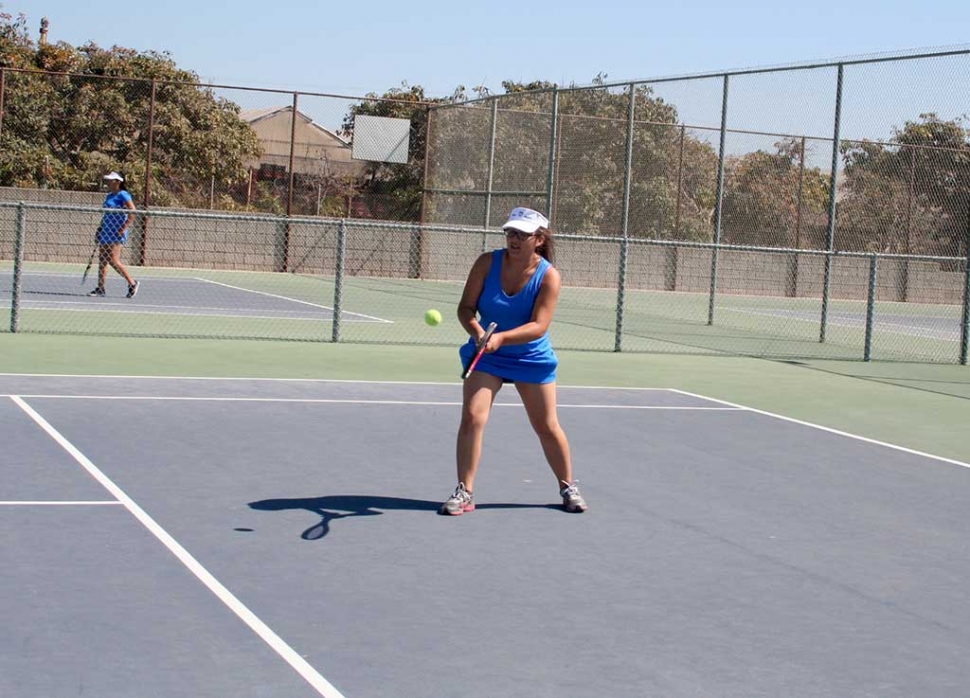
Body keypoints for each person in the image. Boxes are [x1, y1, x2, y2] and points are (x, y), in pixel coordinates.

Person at [440, 206, 588, 515]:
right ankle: (464, 491)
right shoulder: (486, 263)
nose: (514, 239)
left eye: (522, 234)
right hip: (487, 357)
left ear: (539, 239)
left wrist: (502, 338)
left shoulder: (549, 276)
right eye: (510, 233)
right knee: (472, 417)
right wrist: (479, 331)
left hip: (530, 357)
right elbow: (465, 308)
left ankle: (568, 486)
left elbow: (539, 325)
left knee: (546, 426)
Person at [88, 171, 139, 298]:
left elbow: (133, 211)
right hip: (106, 231)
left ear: (118, 182)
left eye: (111, 180)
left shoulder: (123, 195)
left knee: (113, 260)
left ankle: (132, 283)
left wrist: (124, 227)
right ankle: (101, 288)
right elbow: (106, 214)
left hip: (116, 232)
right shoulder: (109, 196)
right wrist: (100, 228)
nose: (108, 182)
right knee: (103, 260)